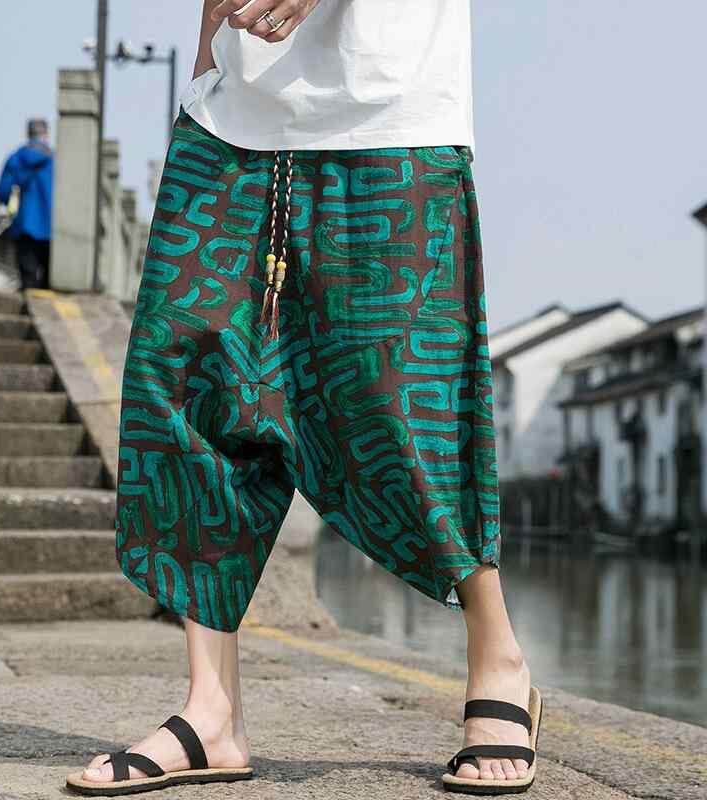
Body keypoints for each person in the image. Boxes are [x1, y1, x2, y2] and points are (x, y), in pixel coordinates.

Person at [67, 1, 541, 796]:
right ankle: (211, 710)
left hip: (388, 106)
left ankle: (499, 655)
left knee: (401, 402)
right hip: (229, 114)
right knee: (188, 386)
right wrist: (205, 62)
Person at [0, 118, 53, 290]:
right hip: (52, 227)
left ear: (28, 134)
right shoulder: (56, 160)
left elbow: (4, 191)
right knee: (49, 280)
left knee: (28, 279)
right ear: (46, 134)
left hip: (23, 225)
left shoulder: (16, 158)